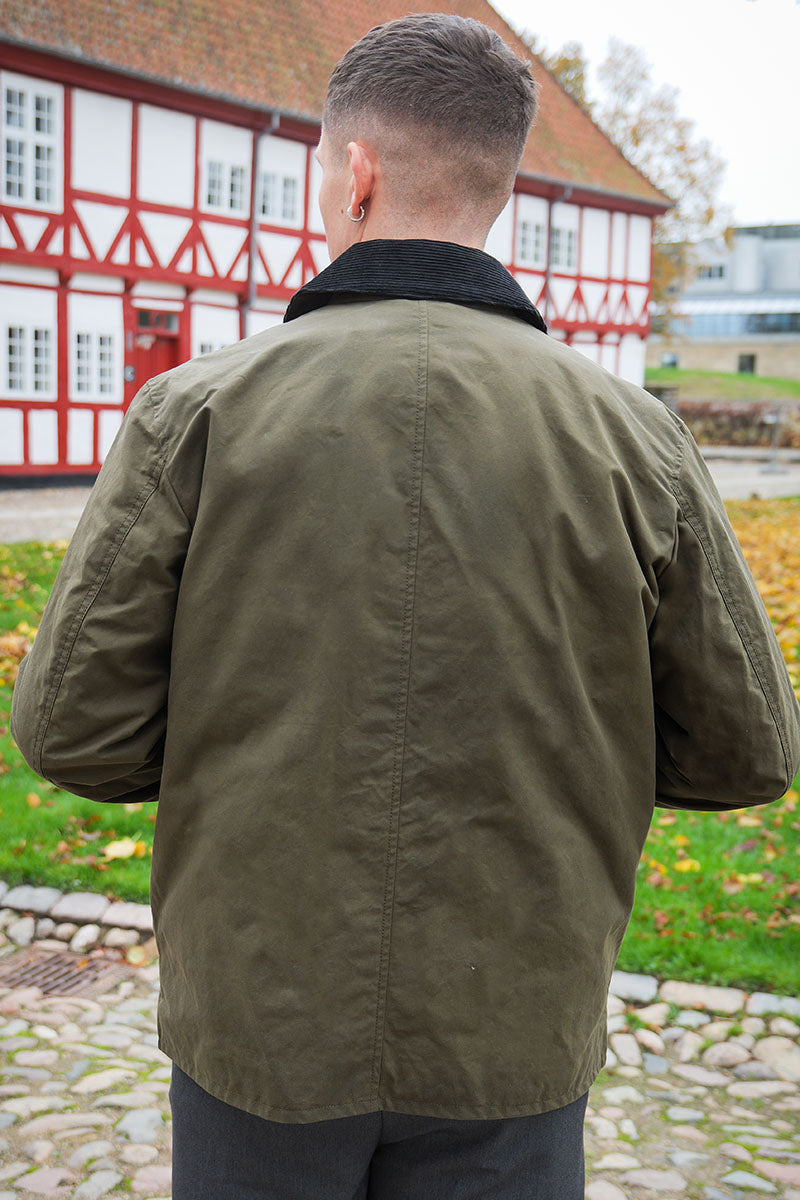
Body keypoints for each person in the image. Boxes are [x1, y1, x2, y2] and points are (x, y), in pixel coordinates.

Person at [10, 12, 800, 1200]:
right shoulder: (634, 439)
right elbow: (745, 751)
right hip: (513, 1016)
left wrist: (251, 752)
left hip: (262, 1012)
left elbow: (71, 729)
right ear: (500, 185)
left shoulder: (195, 412)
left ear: (356, 172)